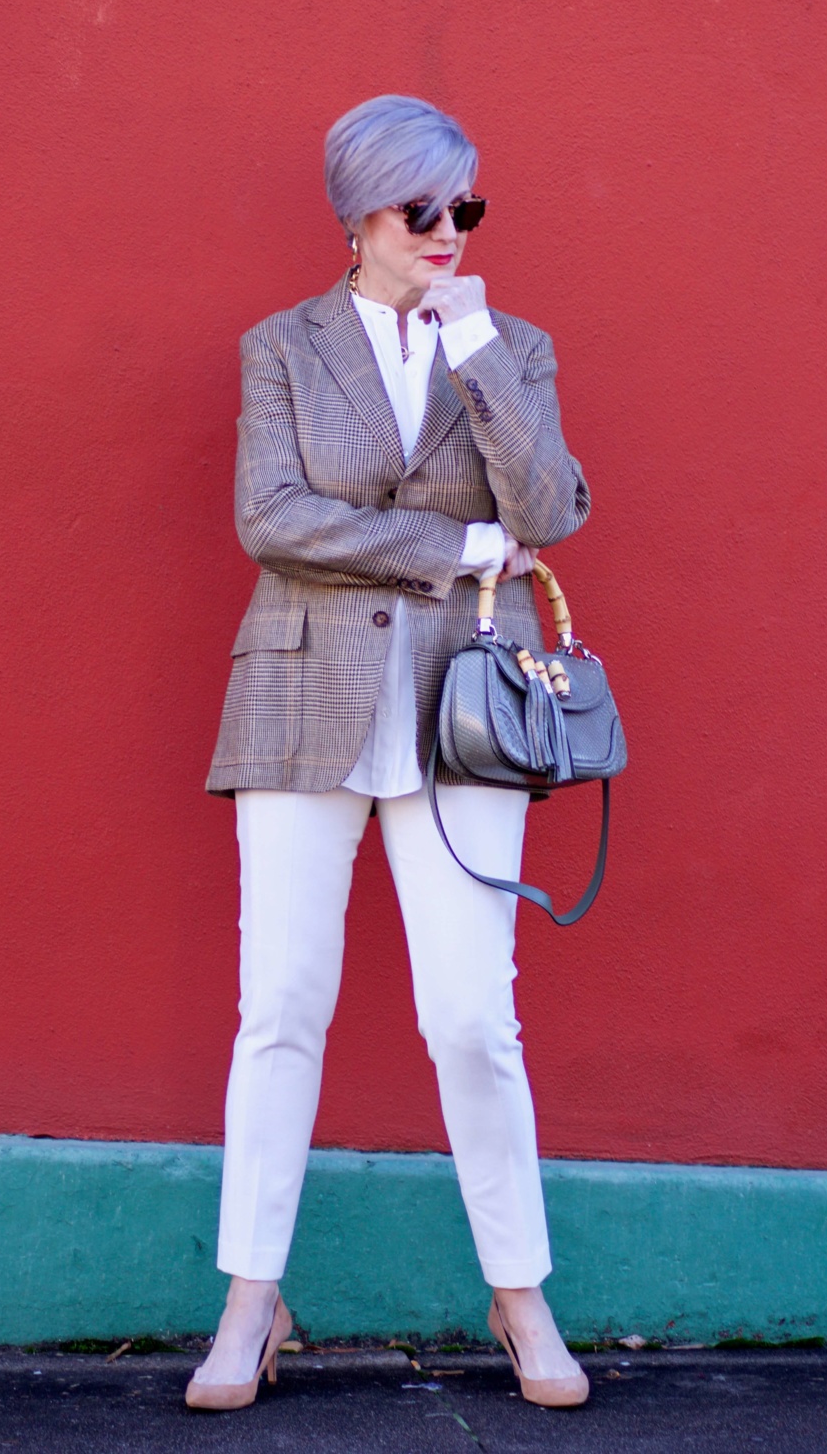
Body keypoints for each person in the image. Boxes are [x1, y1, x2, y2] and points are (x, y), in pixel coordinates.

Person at [187, 94, 592, 1413]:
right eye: (419, 211)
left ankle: (519, 1294)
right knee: (280, 1009)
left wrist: (475, 357)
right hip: (304, 696)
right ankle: (251, 1299)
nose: (445, 232)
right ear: (354, 217)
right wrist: (462, 551)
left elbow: (553, 511)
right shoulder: (283, 348)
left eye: (463, 209)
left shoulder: (509, 343)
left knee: (473, 1016)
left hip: (464, 710)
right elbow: (271, 516)